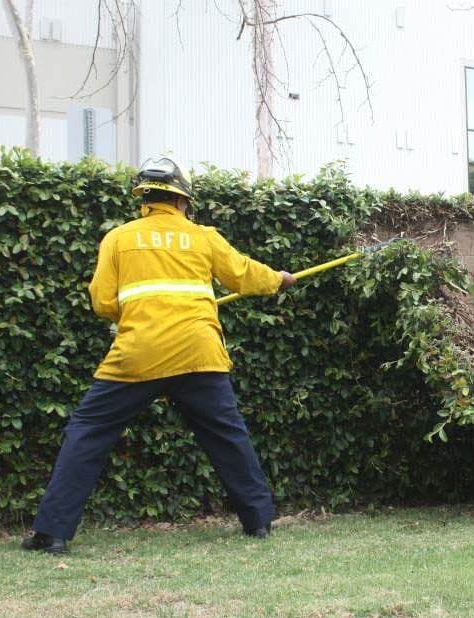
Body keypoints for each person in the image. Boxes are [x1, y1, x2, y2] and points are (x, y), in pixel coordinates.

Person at [22, 155, 296, 554]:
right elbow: (244, 274)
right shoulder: (203, 236)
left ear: (144, 201)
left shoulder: (118, 238)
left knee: (87, 433)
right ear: (183, 201)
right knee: (227, 436)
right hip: (197, 353)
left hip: (137, 354)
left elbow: (101, 302)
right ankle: (258, 523)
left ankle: (52, 534)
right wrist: (279, 280)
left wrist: (134, 313)